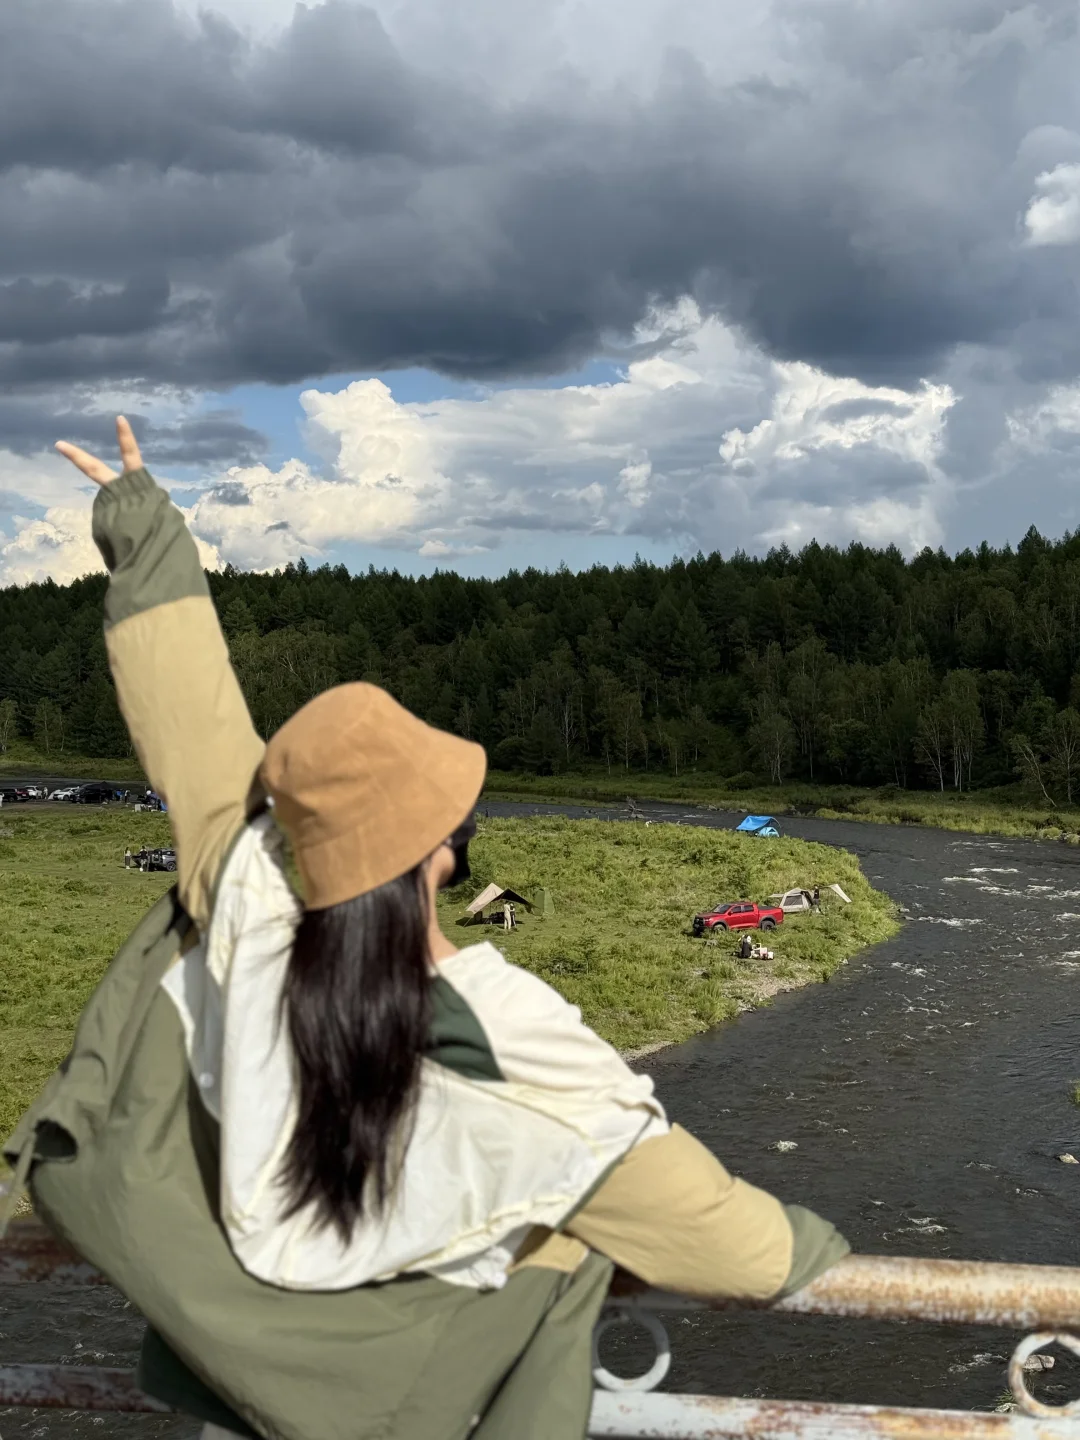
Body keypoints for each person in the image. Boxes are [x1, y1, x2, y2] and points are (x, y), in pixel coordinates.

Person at [39, 419, 850, 1440]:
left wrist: (140, 524)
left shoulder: (243, 932)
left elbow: (193, 737)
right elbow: (740, 1254)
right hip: (417, 1410)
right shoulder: (514, 1040)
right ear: (447, 850)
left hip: (243, 1397)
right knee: (569, 1248)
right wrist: (822, 1248)